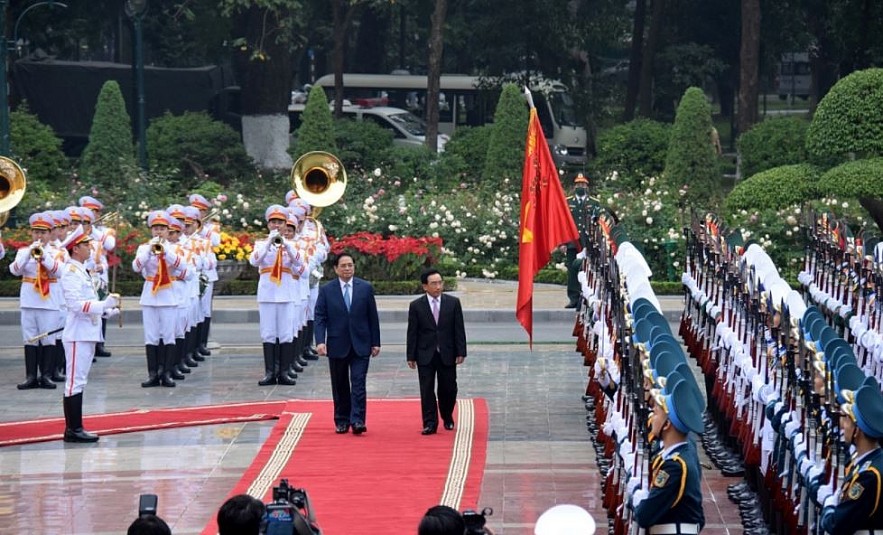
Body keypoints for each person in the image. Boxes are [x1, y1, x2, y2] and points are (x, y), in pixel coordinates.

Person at [59, 224, 120, 443]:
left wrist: (106, 311)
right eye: (86, 245)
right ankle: (73, 429)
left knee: (80, 380)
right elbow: (75, 305)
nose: (89, 248)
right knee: (74, 381)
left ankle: (76, 427)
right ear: (75, 248)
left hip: (86, 331)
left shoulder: (82, 271)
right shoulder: (70, 272)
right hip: (77, 334)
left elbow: (89, 303)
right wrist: (102, 305)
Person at [314, 252, 381, 435]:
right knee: (340, 384)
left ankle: (358, 420)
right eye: (343, 266)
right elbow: (320, 317)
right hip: (337, 344)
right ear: (336, 269)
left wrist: (376, 342)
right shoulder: (327, 290)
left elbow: (372, 317)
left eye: (350, 265)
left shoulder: (365, 288)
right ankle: (342, 420)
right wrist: (320, 341)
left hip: (361, 343)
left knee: (359, 383)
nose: (347, 269)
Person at [630, 380, 706, 532]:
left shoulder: (675, 466)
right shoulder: (676, 456)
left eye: (657, 413)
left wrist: (636, 497)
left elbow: (645, 516)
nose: (653, 417)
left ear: (667, 425)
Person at [249, 205, 305, 386]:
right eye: (273, 222)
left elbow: (301, 265)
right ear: (268, 224)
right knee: (268, 333)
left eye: (279, 222)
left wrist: (286, 244)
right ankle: (269, 372)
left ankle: (284, 372)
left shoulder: (293, 245)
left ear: (284, 224)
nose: (276, 225)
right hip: (267, 294)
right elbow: (254, 260)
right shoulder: (260, 244)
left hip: (286, 294)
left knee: (286, 334)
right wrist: (269, 242)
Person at [407, 268, 467, 435]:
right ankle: (429, 423)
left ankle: (447, 415)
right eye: (434, 283)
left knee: (448, 388)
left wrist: (461, 351)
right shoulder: (416, 306)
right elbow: (412, 332)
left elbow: (459, 329)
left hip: (447, 353)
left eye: (440, 282)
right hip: (425, 353)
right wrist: (410, 355)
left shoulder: (453, 303)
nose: (438, 286)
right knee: (426, 389)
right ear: (425, 286)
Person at [817, 384, 883, 532]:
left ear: (857, 431)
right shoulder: (866, 460)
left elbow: (837, 525)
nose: (843, 425)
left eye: (847, 419)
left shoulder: (870, 476)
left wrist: (828, 506)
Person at [132, 211, 186, 388]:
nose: (159, 232)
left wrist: (165, 252)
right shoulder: (143, 248)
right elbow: (136, 267)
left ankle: (167, 373)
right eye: (156, 228)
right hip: (150, 294)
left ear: (168, 230)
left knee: (168, 335)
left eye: (162, 229)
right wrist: (150, 250)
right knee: (151, 336)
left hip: (168, 294)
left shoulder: (174, 248)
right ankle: (153, 374)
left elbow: (181, 266)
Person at [10, 212, 62, 390]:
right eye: (36, 232)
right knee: (30, 339)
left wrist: (44, 257)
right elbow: (15, 270)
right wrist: (29, 255)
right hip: (29, 301)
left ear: (49, 234)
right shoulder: (23, 252)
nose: (39, 236)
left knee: (49, 339)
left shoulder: (57, 252)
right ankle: (31, 376)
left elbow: (59, 272)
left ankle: (46, 375)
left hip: (49, 302)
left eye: (43, 232)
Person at [564, 174, 592, 308]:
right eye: (578, 184)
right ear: (574, 186)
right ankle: (574, 298)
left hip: (589, 243)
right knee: (572, 271)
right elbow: (562, 223)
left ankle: (588, 297)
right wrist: (562, 243)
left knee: (589, 270)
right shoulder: (567, 202)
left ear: (587, 186)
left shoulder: (593, 202)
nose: (580, 187)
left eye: (583, 184)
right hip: (572, 242)